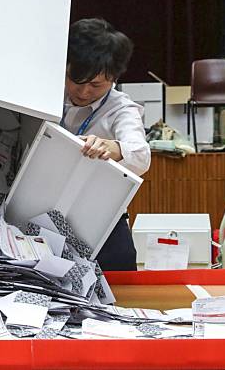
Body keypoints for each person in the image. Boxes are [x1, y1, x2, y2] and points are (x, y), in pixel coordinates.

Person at [62, 18, 150, 271]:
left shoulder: (121, 109)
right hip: (40, 217)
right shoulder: (44, 93)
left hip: (103, 220)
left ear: (113, 78)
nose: (84, 92)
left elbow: (141, 156)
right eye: (76, 80)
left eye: (96, 85)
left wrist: (113, 148)